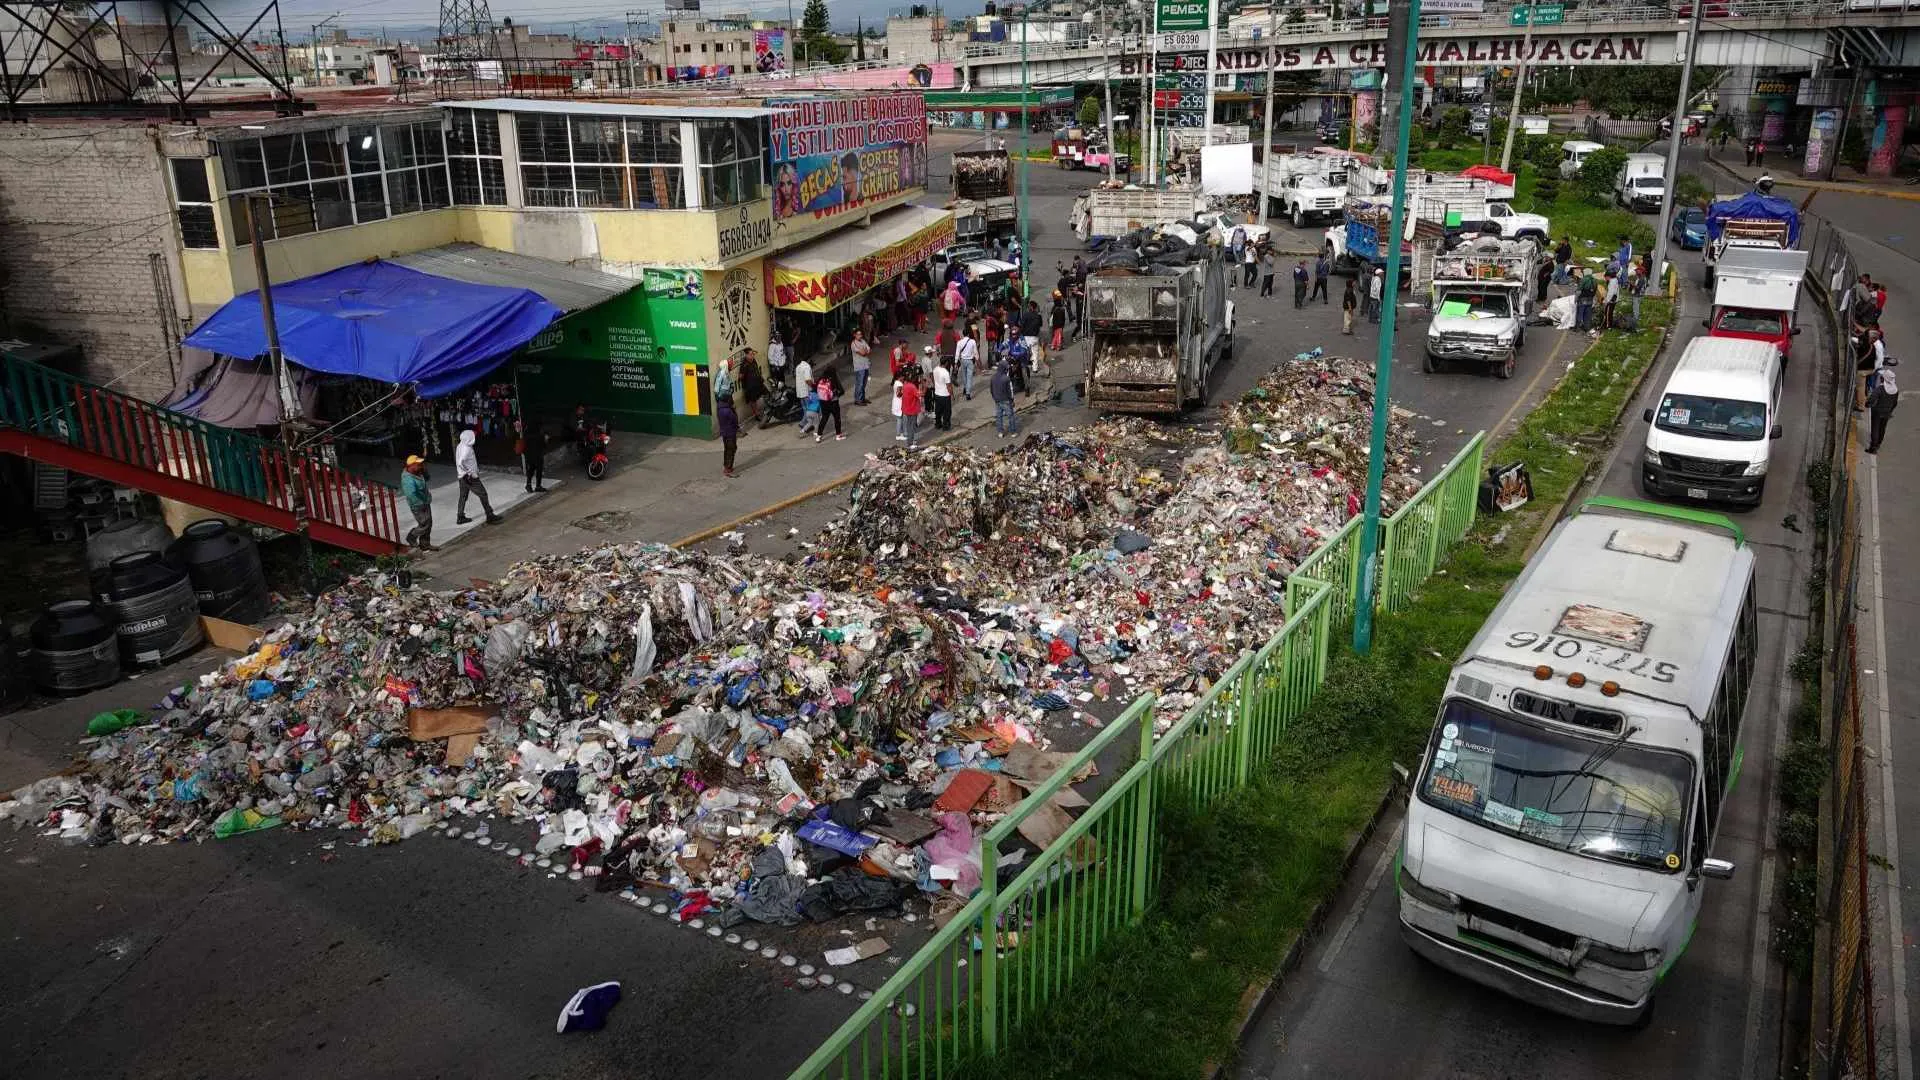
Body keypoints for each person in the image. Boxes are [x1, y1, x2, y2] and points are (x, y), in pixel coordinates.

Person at [452, 429, 500, 525]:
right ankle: (489, 515)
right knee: (483, 494)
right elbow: (461, 462)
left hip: (462, 477)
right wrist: (470, 473)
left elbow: (460, 462)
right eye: (473, 436)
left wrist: (464, 472)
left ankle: (460, 516)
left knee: (463, 496)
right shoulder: (467, 449)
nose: (474, 437)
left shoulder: (460, 446)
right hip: (470, 478)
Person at [401, 455, 435, 551]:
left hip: (425, 501)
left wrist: (424, 469)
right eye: (418, 464)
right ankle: (412, 536)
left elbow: (427, 478)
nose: (420, 465)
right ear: (411, 466)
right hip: (418, 505)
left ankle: (425, 544)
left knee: (429, 523)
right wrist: (421, 503)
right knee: (424, 524)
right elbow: (411, 495)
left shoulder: (417, 472)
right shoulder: (408, 480)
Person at [1867, 358, 1900, 454]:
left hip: (1877, 411)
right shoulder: (1895, 390)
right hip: (1887, 412)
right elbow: (1895, 403)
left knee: (1875, 429)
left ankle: (1873, 448)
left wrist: (1868, 404)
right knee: (1882, 428)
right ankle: (1878, 444)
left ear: (1883, 379)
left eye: (1882, 377)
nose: (1881, 377)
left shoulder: (1880, 389)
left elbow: (1872, 398)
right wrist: (1890, 411)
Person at [516, 419, 546, 493]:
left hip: (529, 456)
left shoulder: (526, 434)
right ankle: (538, 486)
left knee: (531, 469)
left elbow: (524, 446)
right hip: (538, 455)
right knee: (539, 470)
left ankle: (528, 484)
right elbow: (544, 445)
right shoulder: (539, 435)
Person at [991, 356, 1017, 437]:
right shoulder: (1006, 378)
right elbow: (1010, 391)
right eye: (1006, 368)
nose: (1007, 370)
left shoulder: (993, 378)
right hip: (1006, 400)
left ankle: (1000, 432)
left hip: (997, 400)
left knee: (999, 416)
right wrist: (1012, 400)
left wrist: (995, 398)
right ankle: (1013, 432)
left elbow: (991, 390)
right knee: (1011, 415)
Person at [815, 373, 844, 441]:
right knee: (837, 419)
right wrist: (837, 395)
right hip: (833, 403)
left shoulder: (821, 379)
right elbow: (842, 391)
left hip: (823, 402)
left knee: (824, 418)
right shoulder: (834, 380)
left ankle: (819, 436)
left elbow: (815, 388)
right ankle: (838, 435)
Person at [739, 349, 766, 424]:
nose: (752, 355)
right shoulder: (744, 365)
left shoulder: (753, 361)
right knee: (753, 401)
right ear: (746, 355)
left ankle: (766, 411)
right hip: (750, 386)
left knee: (766, 394)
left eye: (753, 354)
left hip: (758, 383)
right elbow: (740, 376)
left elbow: (757, 369)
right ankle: (756, 415)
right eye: (750, 354)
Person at [899, 370, 924, 449]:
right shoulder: (912, 387)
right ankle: (910, 443)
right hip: (912, 409)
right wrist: (925, 387)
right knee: (912, 426)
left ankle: (910, 440)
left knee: (909, 425)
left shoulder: (905, 385)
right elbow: (920, 394)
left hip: (906, 409)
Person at [717, 394, 740, 477]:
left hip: (724, 433)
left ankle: (727, 466)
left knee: (727, 449)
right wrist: (734, 410)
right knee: (731, 449)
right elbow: (735, 420)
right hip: (730, 433)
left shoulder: (719, 409)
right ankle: (728, 469)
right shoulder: (728, 410)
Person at [850, 329, 872, 405]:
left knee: (864, 383)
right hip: (859, 367)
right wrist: (865, 350)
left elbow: (869, 349)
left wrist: (865, 350)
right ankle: (857, 400)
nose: (860, 336)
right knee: (859, 383)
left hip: (866, 365)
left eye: (860, 334)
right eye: (858, 334)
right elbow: (862, 353)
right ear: (854, 335)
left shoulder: (863, 341)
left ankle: (862, 398)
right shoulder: (853, 344)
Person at [931, 354, 954, 430]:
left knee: (938, 410)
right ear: (946, 363)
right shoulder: (945, 373)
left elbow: (933, 379)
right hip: (945, 395)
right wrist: (952, 395)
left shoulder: (935, 369)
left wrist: (936, 386)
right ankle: (946, 426)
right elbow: (949, 386)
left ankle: (938, 424)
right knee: (947, 412)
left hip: (937, 393)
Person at [792, 353, 813, 419]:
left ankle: (806, 421)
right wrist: (813, 386)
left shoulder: (798, 367)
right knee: (809, 408)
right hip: (806, 392)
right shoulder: (806, 366)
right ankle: (807, 423)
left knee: (805, 409)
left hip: (800, 393)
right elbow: (808, 380)